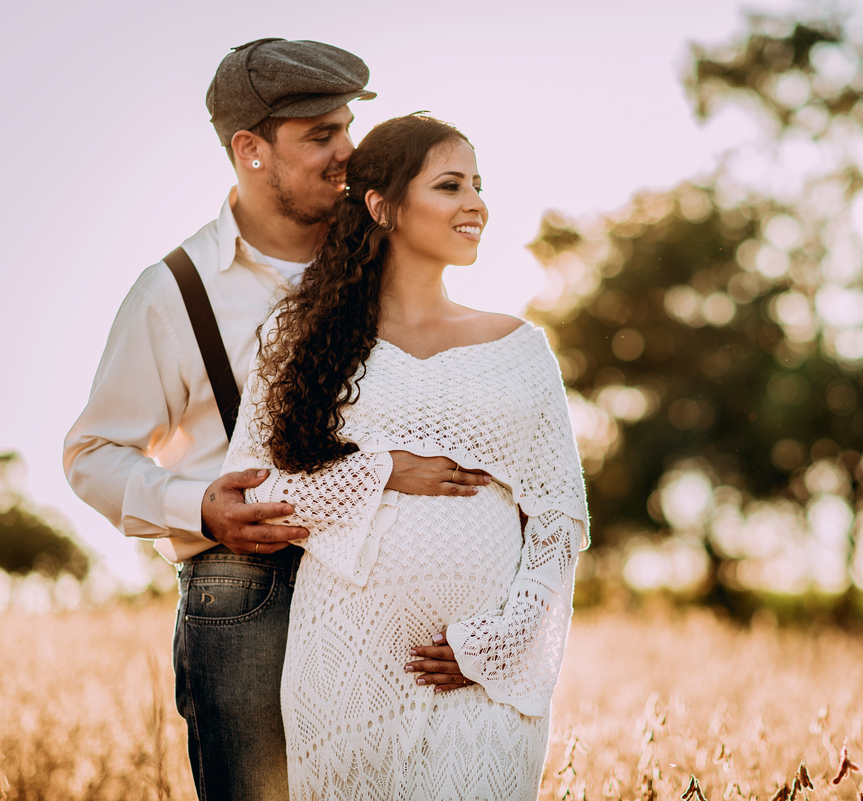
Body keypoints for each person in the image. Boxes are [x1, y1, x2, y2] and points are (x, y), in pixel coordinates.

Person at [63, 40, 488, 800]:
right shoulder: (173, 292)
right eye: (320, 135)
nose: (347, 153)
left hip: (387, 584)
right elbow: (93, 453)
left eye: (347, 128)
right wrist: (197, 507)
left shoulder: (393, 251)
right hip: (246, 592)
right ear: (250, 149)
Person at [221, 113, 588, 800]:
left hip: (480, 676)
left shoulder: (518, 348)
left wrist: (500, 642)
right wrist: (380, 469)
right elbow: (252, 491)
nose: (475, 202)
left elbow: (559, 518)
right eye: (450, 185)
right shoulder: (298, 337)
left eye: (478, 185)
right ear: (382, 205)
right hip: (346, 665)